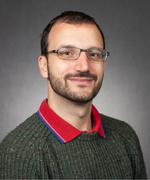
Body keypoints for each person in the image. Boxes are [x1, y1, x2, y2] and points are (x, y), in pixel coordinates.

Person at [0, 11, 147, 179]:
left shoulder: (125, 136)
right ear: (44, 66)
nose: (84, 66)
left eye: (94, 54)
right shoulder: (18, 152)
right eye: (67, 53)